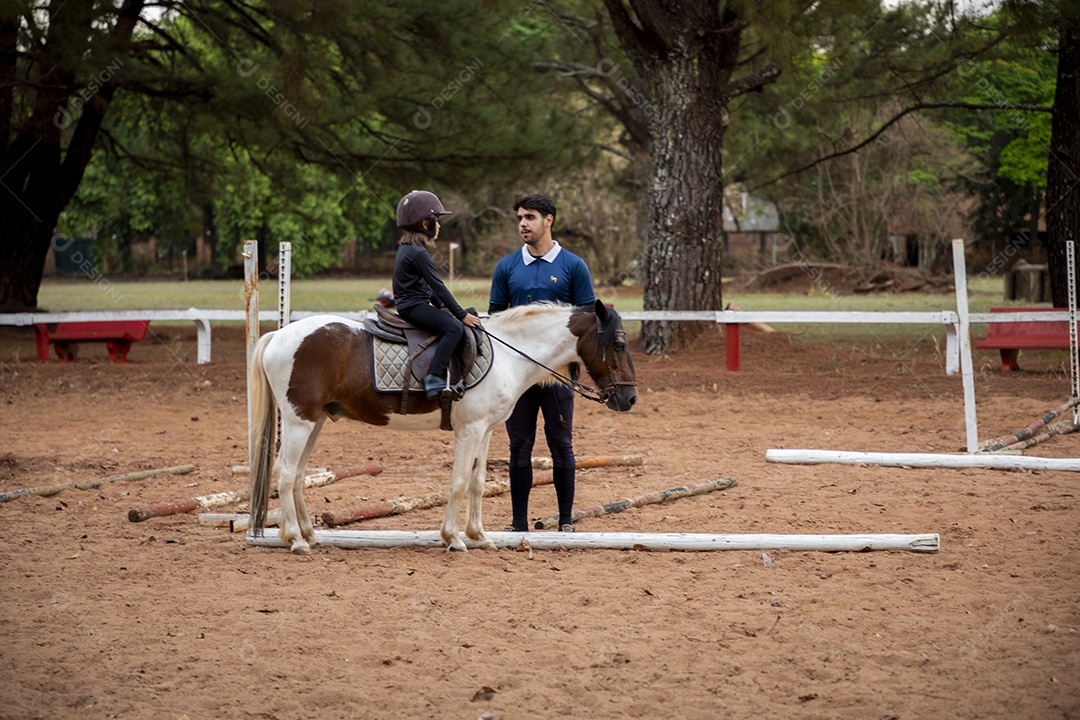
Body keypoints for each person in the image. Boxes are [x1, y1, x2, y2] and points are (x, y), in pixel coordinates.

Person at [489, 194, 596, 532]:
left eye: (530, 217)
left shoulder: (573, 266)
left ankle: (566, 522)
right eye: (520, 217)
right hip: (517, 376)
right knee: (519, 445)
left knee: (561, 444)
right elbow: (495, 319)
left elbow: (588, 321)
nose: (523, 223)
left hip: (558, 376)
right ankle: (518, 522)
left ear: (548, 220)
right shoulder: (506, 266)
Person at [392, 190, 482, 399]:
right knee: (453, 329)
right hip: (412, 307)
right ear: (425, 224)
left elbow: (427, 287)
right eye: (437, 220)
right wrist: (460, 315)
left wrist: (441, 305)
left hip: (414, 303)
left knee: (466, 314)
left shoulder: (410, 248)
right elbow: (439, 286)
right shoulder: (418, 252)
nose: (439, 226)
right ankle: (434, 378)